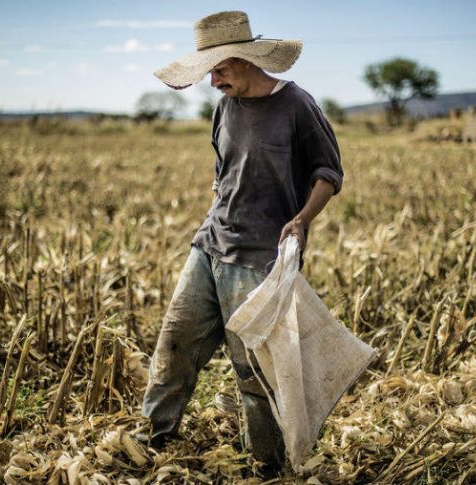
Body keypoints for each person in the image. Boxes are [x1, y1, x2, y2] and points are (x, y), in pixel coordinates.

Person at [139, 10, 343, 478]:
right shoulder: (224, 106)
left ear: (244, 59)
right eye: (210, 71)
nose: (213, 81)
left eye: (219, 69)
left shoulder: (297, 106)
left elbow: (328, 173)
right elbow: (222, 173)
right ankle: (150, 438)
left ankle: (264, 465)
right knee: (174, 345)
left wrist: (302, 219)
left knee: (253, 369)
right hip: (209, 245)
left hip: (260, 258)